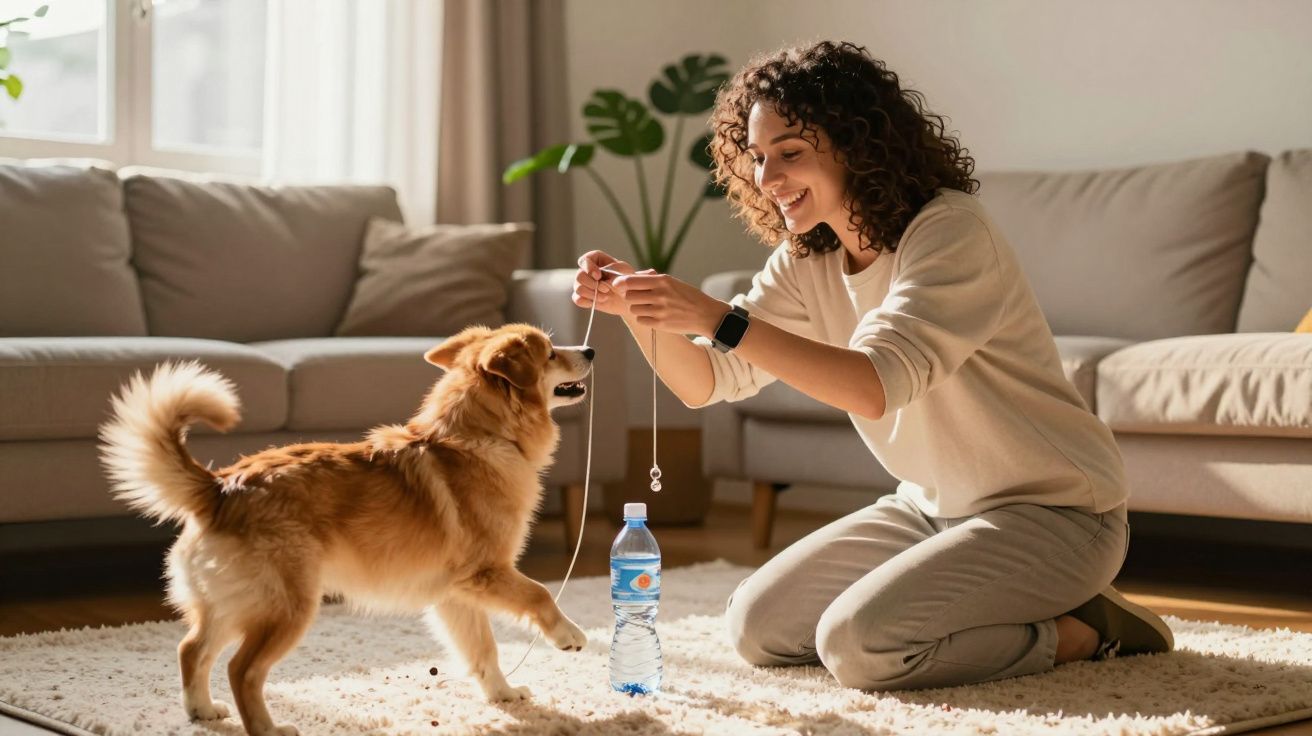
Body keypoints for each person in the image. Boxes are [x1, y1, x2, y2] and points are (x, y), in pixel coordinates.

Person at [571, 40, 1173, 692]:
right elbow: (707, 382)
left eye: (791, 152)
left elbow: (874, 384)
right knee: (756, 627)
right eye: (759, 158)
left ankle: (1084, 632)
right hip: (928, 509)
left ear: (858, 144)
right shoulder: (808, 261)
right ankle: (1013, 601)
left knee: (859, 646)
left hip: (1058, 515)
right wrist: (637, 308)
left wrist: (718, 318)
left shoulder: (949, 233)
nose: (769, 179)